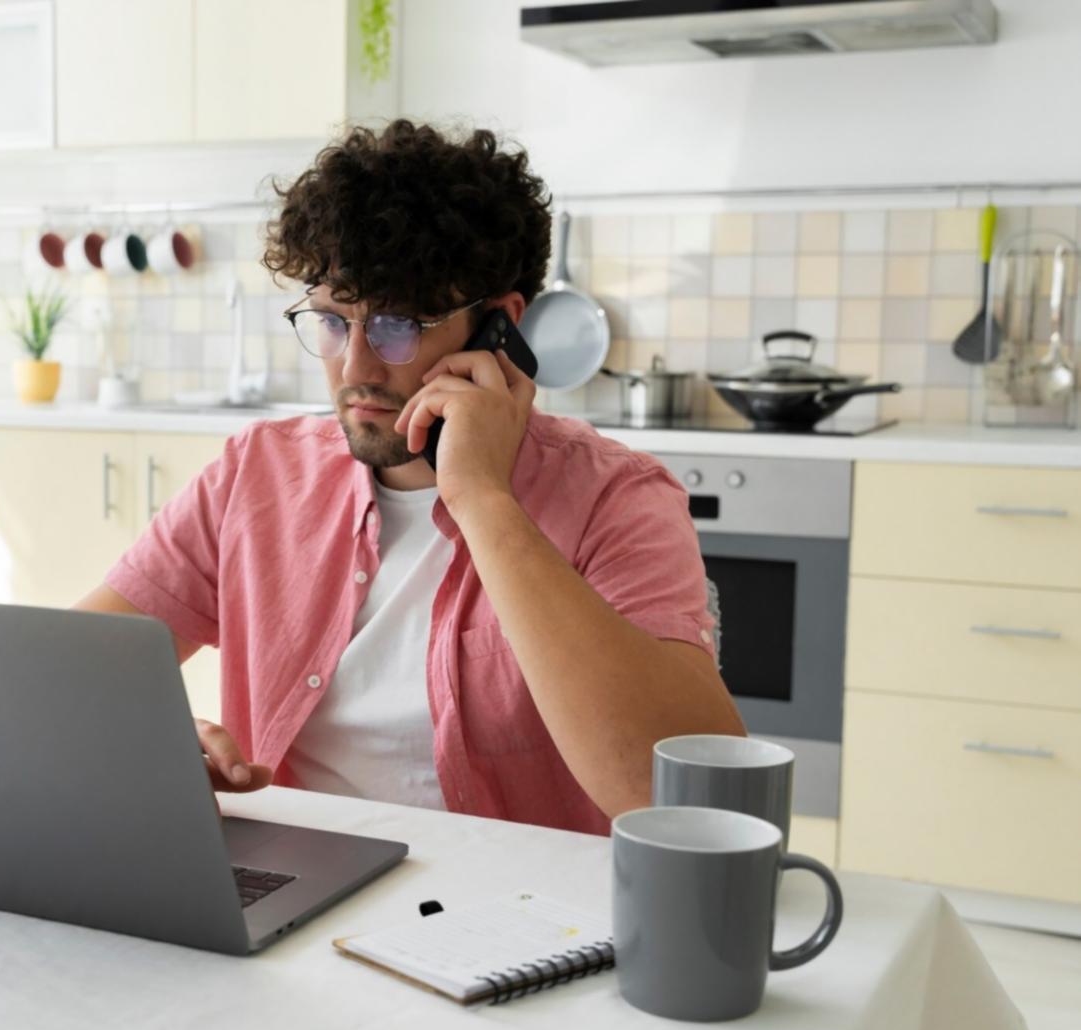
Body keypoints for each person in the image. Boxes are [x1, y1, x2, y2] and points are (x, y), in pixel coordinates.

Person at [77, 120, 744, 835]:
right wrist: (155, 740)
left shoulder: (615, 497)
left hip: (520, 920)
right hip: (293, 895)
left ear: (499, 326)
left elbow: (686, 803)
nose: (355, 367)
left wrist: (481, 497)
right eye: (333, 321)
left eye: (396, 324)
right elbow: (59, 673)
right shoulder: (259, 473)